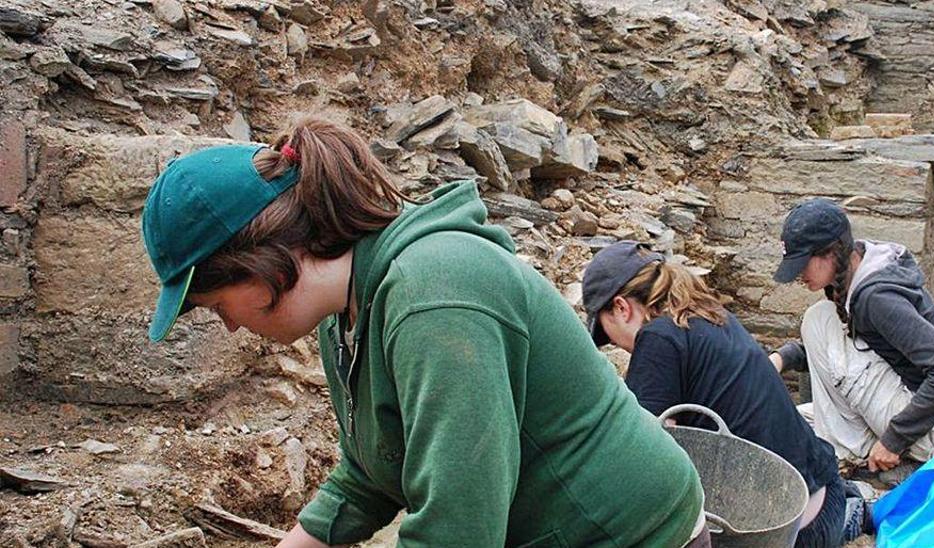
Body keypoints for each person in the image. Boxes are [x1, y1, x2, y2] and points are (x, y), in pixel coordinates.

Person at [141, 118, 709, 547]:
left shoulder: (435, 293)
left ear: (261, 258)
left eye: (219, 305)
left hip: (632, 534)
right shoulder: (348, 313)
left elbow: (459, 527)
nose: (231, 324)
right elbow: (371, 471)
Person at [582, 241, 869, 546]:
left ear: (621, 307)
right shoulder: (708, 313)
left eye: (606, 333)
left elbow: (648, 460)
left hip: (788, 536)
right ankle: (851, 515)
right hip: (826, 498)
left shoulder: (658, 339)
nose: (616, 345)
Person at [769, 199, 934, 485]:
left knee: (818, 319)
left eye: (802, 264)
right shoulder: (858, 268)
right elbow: (847, 347)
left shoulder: (876, 299)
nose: (799, 275)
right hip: (923, 414)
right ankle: (855, 449)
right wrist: (781, 358)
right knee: (794, 419)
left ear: (830, 253)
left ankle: (852, 456)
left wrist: (893, 440)